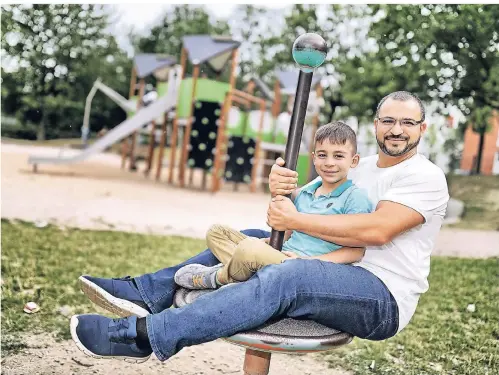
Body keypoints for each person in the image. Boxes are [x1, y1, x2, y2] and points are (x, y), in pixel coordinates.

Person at [70, 91, 449, 364]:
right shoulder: (357, 166)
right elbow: (300, 204)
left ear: (422, 128)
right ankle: (146, 293)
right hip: (330, 265)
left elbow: (376, 231)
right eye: (389, 120)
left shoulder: (425, 177)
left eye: (407, 122)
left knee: (291, 276)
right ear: (376, 124)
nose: (397, 129)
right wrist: (280, 189)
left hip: (382, 295)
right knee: (253, 237)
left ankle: (141, 337)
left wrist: (294, 221)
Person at [174, 122, 372, 290]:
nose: (329, 163)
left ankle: (218, 277)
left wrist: (306, 262)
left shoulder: (355, 198)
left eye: (338, 156)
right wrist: (266, 243)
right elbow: (289, 234)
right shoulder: (305, 193)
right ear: (313, 157)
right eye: (322, 155)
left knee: (248, 249)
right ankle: (246, 274)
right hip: (280, 256)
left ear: (354, 160)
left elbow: (356, 250)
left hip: (306, 268)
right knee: (217, 232)